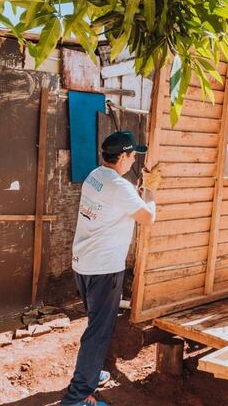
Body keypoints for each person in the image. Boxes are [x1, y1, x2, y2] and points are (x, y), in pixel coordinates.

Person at [61, 131, 160, 406]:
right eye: (132, 156)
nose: (133, 161)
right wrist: (151, 189)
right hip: (104, 270)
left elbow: (119, 204)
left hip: (83, 265)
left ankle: (90, 374)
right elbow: (148, 217)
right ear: (123, 157)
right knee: (99, 331)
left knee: (95, 324)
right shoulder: (120, 187)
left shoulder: (95, 176)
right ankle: (78, 397)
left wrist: (138, 189)